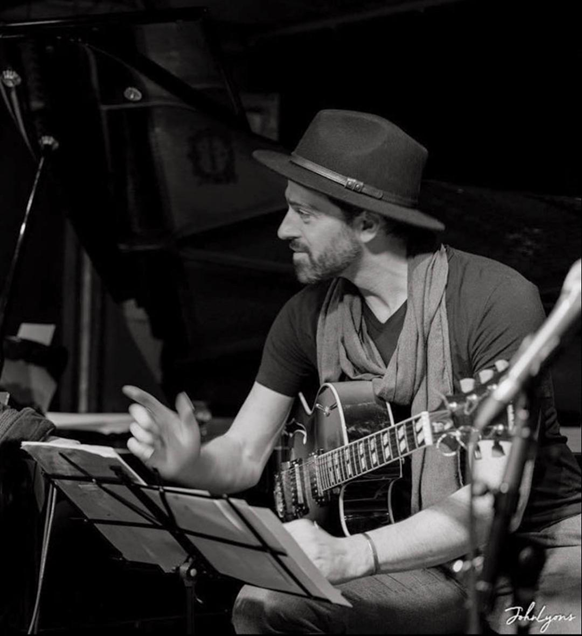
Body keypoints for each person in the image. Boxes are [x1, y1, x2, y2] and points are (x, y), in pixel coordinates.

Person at [124, 110, 581, 634]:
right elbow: (245, 455)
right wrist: (192, 463)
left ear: (367, 224)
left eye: (304, 213)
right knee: (265, 604)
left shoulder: (493, 299)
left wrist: (351, 554)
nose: (283, 229)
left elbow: (496, 500)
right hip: (405, 551)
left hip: (539, 543)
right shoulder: (308, 315)